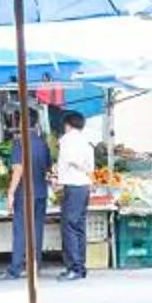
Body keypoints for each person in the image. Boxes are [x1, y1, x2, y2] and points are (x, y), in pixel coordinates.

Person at [3, 107, 51, 280]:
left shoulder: (19, 143)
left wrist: (10, 193)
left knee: (21, 230)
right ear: (36, 123)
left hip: (24, 194)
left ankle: (15, 268)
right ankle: (35, 265)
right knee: (37, 229)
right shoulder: (42, 143)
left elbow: (18, 169)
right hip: (41, 193)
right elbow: (47, 169)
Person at [52, 110, 97, 279]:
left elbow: (74, 160)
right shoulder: (86, 140)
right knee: (78, 226)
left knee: (69, 227)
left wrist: (60, 178)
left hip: (74, 185)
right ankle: (80, 266)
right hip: (84, 186)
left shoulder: (69, 140)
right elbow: (89, 165)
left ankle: (74, 268)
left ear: (67, 125)